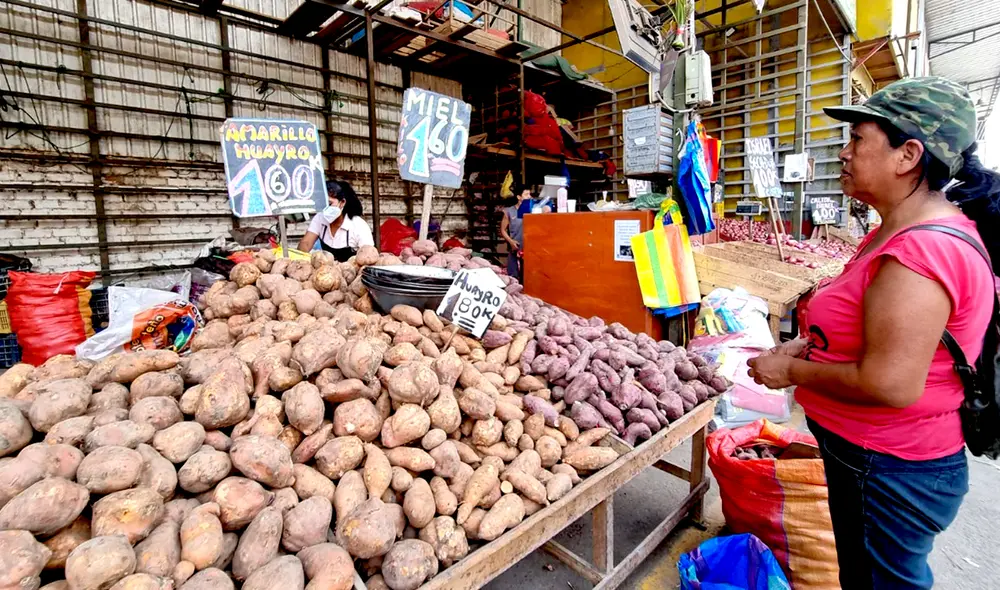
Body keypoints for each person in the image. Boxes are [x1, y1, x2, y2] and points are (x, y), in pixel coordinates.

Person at [747, 77, 999, 589]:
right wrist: (808, 344)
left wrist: (791, 370)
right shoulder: (897, 230)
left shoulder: (921, 251)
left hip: (888, 467)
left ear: (908, 154)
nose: (843, 152)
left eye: (857, 139)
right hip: (878, 460)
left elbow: (891, 383)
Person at [297, 179, 374, 261]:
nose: (325, 208)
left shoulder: (359, 226)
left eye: (329, 204)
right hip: (325, 270)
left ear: (342, 202)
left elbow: (369, 257)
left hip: (350, 271)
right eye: (323, 204)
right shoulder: (319, 218)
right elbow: (306, 243)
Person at [500, 183, 531, 280]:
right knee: (513, 278)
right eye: (526, 194)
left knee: (527, 279)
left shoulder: (532, 210)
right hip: (515, 248)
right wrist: (511, 242)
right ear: (519, 197)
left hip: (529, 250)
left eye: (529, 194)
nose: (529, 197)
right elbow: (502, 230)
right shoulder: (509, 211)